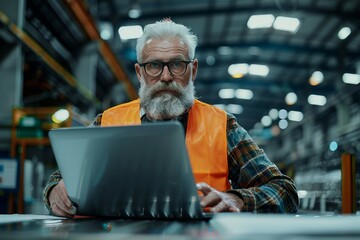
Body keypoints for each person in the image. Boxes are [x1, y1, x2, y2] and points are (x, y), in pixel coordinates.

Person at [43, 19, 299, 217]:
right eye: (154, 65)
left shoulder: (221, 125)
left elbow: (284, 191)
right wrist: (55, 192)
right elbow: (61, 177)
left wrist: (236, 199)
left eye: (176, 64)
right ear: (139, 73)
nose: (165, 77)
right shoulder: (109, 120)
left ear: (193, 69)